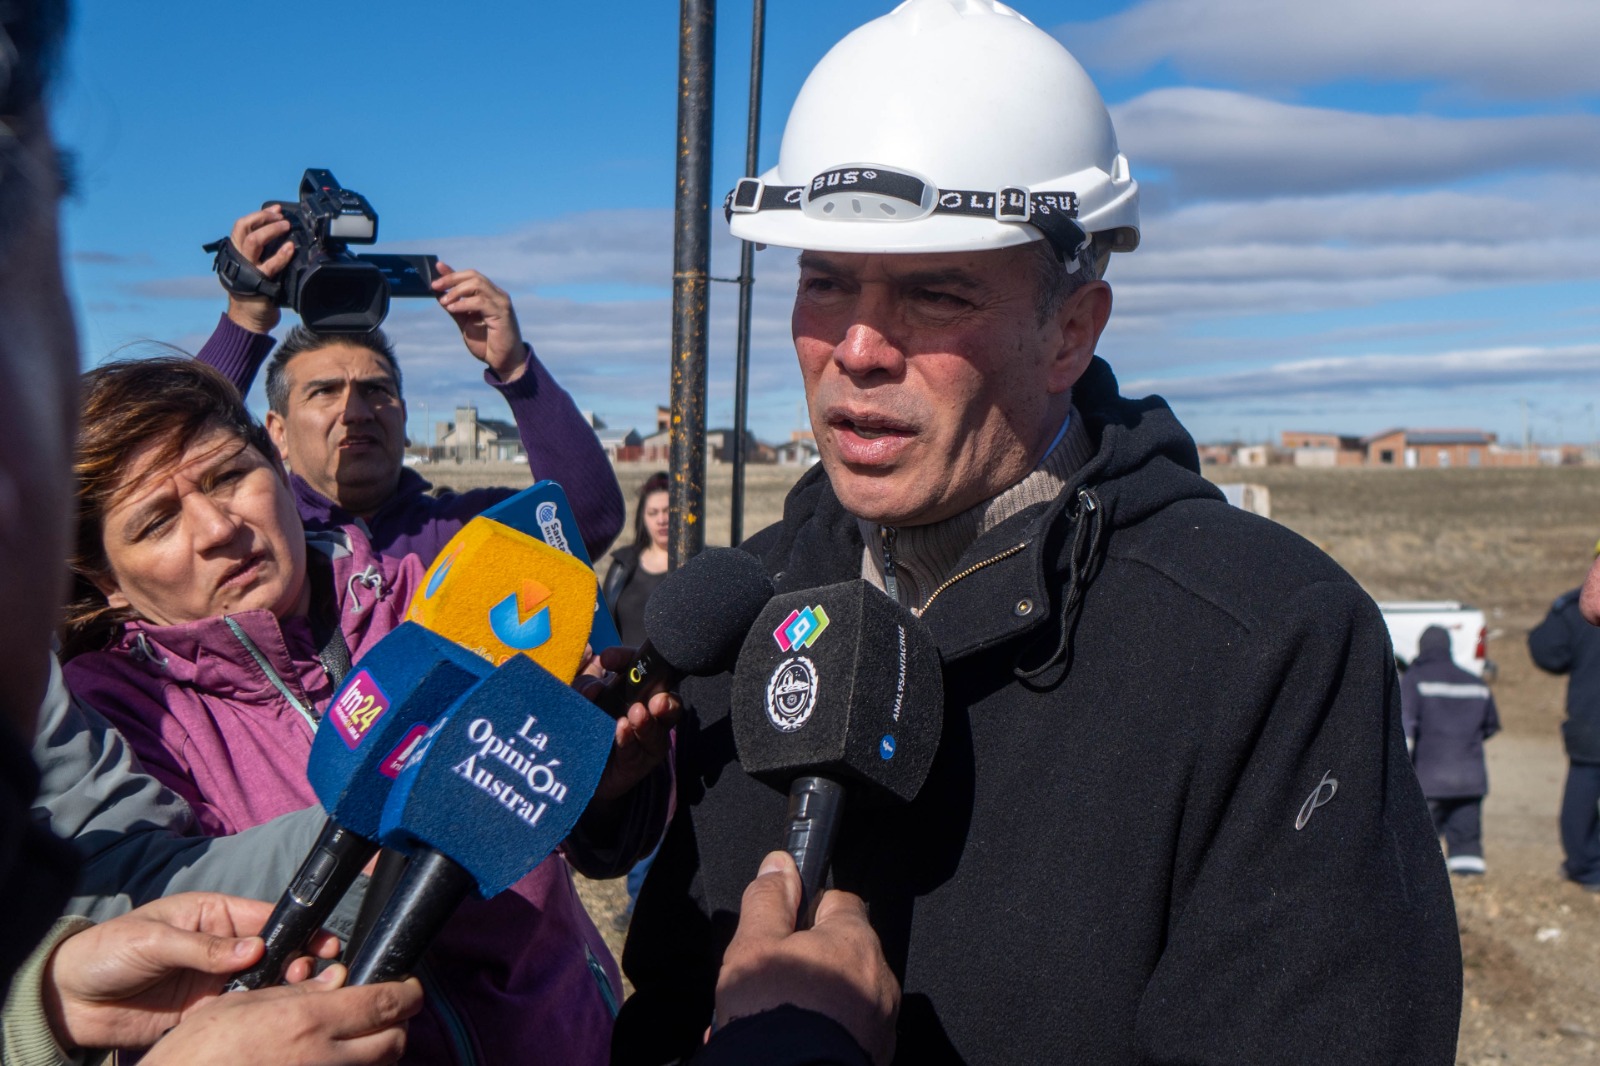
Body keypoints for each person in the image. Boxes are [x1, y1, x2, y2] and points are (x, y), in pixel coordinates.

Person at [614, 3, 1462, 1063]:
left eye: (933, 292)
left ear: (1071, 328)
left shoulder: (1267, 643)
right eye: (823, 280)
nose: (859, 346)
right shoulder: (746, 604)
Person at [57, 357, 671, 1066]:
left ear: (275, 462)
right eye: (157, 520)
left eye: (229, 477)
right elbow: (159, 921)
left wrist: (600, 782)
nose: (217, 528)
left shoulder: (438, 597)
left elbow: (592, 846)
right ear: (107, 582)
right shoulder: (111, 716)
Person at [197, 205, 624, 564]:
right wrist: (244, 321)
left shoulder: (460, 532)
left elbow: (584, 525)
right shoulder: (250, 538)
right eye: (324, 391)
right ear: (277, 432)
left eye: (377, 390)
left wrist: (516, 370)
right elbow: (154, 471)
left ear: (403, 419)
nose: (356, 411)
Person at [1402, 625, 1501, 875]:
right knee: (1467, 845)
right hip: (1470, 781)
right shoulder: (1475, 683)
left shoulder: (1415, 679)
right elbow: (1490, 726)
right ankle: (1471, 887)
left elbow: (1405, 731)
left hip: (1429, 781)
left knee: (1422, 848)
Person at [1528, 550, 1600, 891]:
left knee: (1582, 798)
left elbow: (1547, 651)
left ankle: (1587, 869)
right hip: (1591, 723)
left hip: (1592, 722)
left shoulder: (1578, 607)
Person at [604, 471, 672, 647]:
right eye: (653, 513)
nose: (662, 519)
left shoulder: (695, 564)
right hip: (624, 671)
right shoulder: (622, 564)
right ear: (643, 518)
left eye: (668, 511)